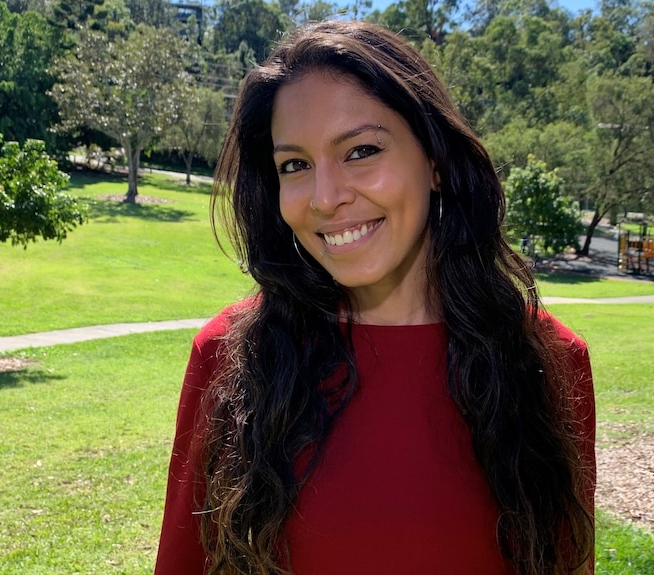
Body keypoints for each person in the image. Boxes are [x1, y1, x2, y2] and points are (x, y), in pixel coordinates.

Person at [154, 20, 595, 575]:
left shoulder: (548, 360)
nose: (325, 197)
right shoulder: (227, 356)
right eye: (295, 165)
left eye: (361, 151)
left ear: (434, 161)